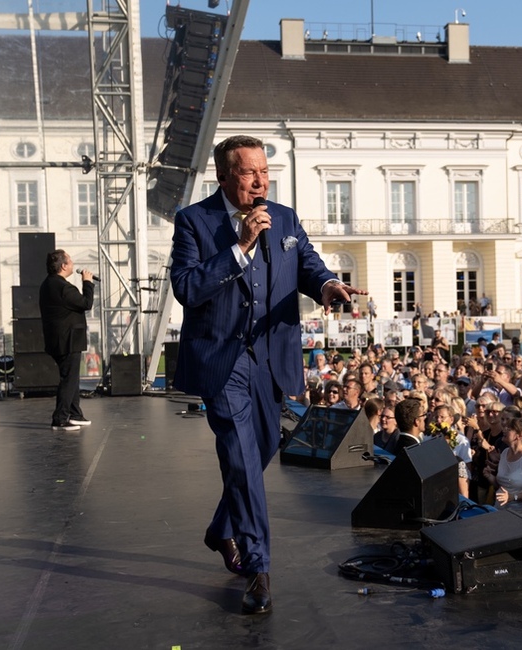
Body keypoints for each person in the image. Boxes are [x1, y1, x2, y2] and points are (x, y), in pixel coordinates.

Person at [170, 135, 365, 615]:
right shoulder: (194, 221)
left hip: (272, 357)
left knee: (263, 448)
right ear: (224, 176)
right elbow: (186, 288)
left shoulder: (286, 217)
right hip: (223, 360)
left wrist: (327, 284)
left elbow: (307, 265)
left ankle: (221, 530)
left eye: (264, 170)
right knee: (240, 458)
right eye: (249, 172)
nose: (261, 180)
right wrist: (239, 248)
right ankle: (257, 567)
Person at [38, 249, 94, 432]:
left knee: (71, 377)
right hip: (68, 340)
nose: (72, 264)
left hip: (57, 339)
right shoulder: (64, 287)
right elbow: (86, 303)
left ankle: (75, 413)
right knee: (69, 379)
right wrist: (87, 283)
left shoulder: (47, 285)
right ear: (63, 266)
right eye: (70, 261)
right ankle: (60, 418)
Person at [489, 418, 522, 514]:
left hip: (520, 514)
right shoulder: (505, 453)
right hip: (499, 510)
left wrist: (513, 497)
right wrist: (491, 478)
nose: (504, 430)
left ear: (519, 436)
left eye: (509, 429)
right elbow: (504, 486)